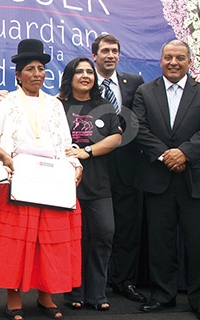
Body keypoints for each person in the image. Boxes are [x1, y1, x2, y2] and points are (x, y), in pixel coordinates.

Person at [0, 39, 83, 320]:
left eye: (40, 69)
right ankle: (13, 299)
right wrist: (1, 153)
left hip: (51, 184)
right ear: (17, 74)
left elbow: (65, 142)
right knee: (15, 245)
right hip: (17, 182)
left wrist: (74, 165)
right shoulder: (6, 103)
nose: (36, 74)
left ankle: (46, 297)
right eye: (29, 69)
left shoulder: (55, 105)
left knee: (48, 244)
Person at [133, 40, 200, 320]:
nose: (174, 62)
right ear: (160, 60)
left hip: (197, 179)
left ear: (189, 61)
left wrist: (184, 153)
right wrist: (165, 155)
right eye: (168, 57)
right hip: (158, 179)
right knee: (161, 242)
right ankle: (162, 295)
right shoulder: (145, 92)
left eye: (180, 58)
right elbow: (139, 127)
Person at [58, 57, 122, 311]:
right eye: (79, 71)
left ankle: (97, 293)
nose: (86, 75)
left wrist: (88, 151)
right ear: (70, 76)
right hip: (66, 184)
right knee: (73, 240)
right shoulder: (58, 105)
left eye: (90, 72)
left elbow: (116, 137)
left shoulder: (103, 105)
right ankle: (74, 291)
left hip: (98, 184)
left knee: (103, 234)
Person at [89, 34, 147, 302]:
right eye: (105, 51)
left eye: (114, 51)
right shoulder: (84, 81)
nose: (110, 55)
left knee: (127, 226)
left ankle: (124, 281)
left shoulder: (134, 82)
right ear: (95, 56)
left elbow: (151, 107)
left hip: (128, 167)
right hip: (93, 165)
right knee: (95, 228)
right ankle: (88, 283)